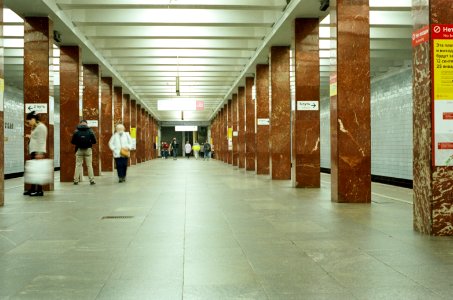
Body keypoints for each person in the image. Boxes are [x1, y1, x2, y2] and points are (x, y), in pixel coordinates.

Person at [24, 111, 47, 196]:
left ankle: (39, 191)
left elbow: (41, 141)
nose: (28, 123)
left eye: (28, 121)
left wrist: (39, 153)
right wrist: (30, 136)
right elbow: (37, 138)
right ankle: (33, 189)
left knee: (38, 172)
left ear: (33, 119)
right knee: (34, 171)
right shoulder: (36, 127)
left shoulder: (40, 127)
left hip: (38, 152)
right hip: (34, 151)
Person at [71, 120, 97, 185]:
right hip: (88, 150)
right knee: (89, 166)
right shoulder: (90, 131)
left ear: (80, 124)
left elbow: (72, 142)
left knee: (78, 165)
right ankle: (92, 180)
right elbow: (94, 141)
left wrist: (78, 142)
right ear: (86, 124)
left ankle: (76, 180)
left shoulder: (76, 131)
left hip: (79, 150)